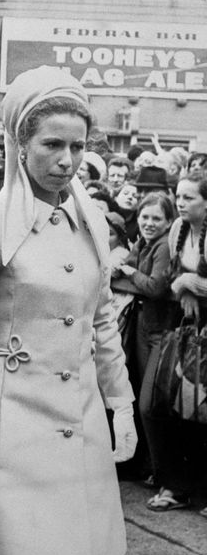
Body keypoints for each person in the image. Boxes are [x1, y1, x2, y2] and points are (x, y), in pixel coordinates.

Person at [0, 66, 137, 555]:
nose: (66, 160)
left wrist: (121, 404)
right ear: (20, 144)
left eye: (77, 145)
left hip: (83, 422)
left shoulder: (91, 219)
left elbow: (102, 320)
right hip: (11, 432)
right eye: (52, 144)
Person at [142, 173, 207, 514]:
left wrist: (190, 283)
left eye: (189, 198)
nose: (180, 203)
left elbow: (184, 279)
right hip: (186, 328)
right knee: (157, 404)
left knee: (201, 411)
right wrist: (183, 285)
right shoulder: (178, 231)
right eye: (178, 196)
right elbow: (169, 281)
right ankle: (174, 483)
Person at [111, 192, 175, 483]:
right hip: (143, 330)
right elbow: (120, 277)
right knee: (139, 396)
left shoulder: (162, 246)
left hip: (159, 333)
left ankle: (163, 474)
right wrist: (127, 272)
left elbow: (155, 288)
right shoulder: (144, 242)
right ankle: (146, 466)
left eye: (156, 218)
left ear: (168, 221)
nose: (149, 223)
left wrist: (129, 271)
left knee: (151, 404)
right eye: (144, 217)